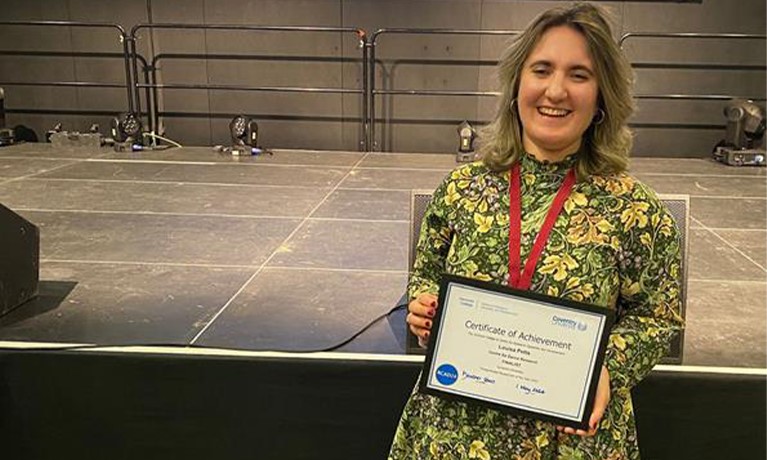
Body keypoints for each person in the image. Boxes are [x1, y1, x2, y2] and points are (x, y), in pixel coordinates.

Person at [389, 3, 684, 459]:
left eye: (579, 75)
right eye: (542, 69)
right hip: (454, 433)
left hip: (569, 440)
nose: (556, 90)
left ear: (603, 95)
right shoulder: (461, 190)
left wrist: (608, 366)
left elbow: (658, 318)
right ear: (517, 84)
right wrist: (426, 305)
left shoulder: (637, 212)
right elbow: (427, 271)